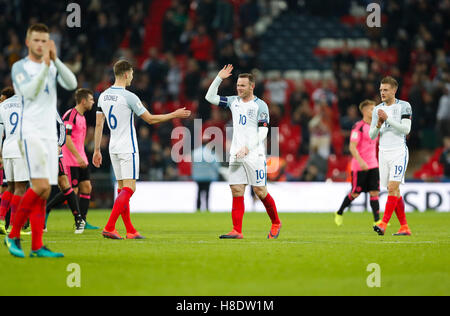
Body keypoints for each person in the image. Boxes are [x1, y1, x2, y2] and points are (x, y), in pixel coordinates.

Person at [93, 60, 191, 240]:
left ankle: (130, 230)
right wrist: (174, 114)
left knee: (122, 189)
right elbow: (151, 119)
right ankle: (109, 226)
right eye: (131, 74)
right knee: (130, 189)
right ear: (125, 74)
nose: (132, 77)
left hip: (113, 147)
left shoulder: (103, 95)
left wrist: (97, 150)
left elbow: (99, 124)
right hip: (127, 147)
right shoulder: (129, 96)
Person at [4, 23, 77, 258]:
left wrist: (55, 61)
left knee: (44, 193)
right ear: (28, 42)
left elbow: (72, 84)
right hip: (30, 134)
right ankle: (13, 233)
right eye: (36, 40)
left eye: (44, 40)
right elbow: (30, 93)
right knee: (42, 187)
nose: (40, 44)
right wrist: (46, 68)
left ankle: (37, 246)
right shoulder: (20, 67)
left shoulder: (51, 65)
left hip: (48, 135)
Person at [205, 64, 281, 239]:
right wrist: (219, 78)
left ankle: (276, 222)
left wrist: (248, 148)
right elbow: (209, 97)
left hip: (254, 154)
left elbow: (264, 131)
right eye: (238, 85)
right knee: (237, 190)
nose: (239, 88)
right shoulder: (233, 101)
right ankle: (237, 230)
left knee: (260, 191)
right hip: (237, 154)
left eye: (242, 85)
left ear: (251, 87)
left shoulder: (260, 106)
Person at [370, 76, 412, 236]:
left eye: (386, 90)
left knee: (392, 188)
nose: (382, 92)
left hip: (399, 152)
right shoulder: (377, 109)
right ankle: (404, 227)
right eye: (381, 90)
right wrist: (379, 124)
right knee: (393, 190)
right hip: (383, 152)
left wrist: (388, 119)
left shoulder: (404, 106)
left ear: (394, 90)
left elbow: (406, 130)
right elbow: (372, 135)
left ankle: (383, 223)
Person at [335, 100, 381, 226]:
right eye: (372, 109)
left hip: (373, 164)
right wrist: (361, 162)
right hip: (360, 166)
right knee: (355, 193)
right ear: (365, 111)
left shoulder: (376, 126)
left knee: (374, 192)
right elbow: (352, 147)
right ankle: (339, 212)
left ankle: (377, 221)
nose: (374, 111)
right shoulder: (358, 127)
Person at [61, 88, 97, 229]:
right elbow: (66, 138)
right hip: (71, 159)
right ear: (83, 101)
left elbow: (78, 140)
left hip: (81, 158)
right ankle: (47, 209)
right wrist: (77, 157)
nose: (93, 102)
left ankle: (83, 221)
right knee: (71, 191)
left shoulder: (82, 117)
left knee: (87, 187)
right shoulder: (71, 115)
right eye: (91, 99)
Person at [44, 111, 85, 234]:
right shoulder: (29, 108)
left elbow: (61, 125)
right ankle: (37, 221)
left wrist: (59, 144)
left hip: (54, 151)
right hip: (38, 151)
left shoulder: (48, 106)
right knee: (38, 185)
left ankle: (78, 219)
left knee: (64, 184)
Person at [0, 87, 30, 236]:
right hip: (21, 148)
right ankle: (13, 226)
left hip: (7, 148)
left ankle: (0, 221)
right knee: (20, 187)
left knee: (10, 186)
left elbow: (0, 131)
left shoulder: (3, 105)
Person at [191, 134, 221, 212]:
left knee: (198, 192)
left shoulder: (195, 152)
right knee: (207, 192)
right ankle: (207, 208)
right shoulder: (210, 153)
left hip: (198, 176)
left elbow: (192, 164)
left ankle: (198, 208)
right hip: (208, 176)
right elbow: (216, 165)